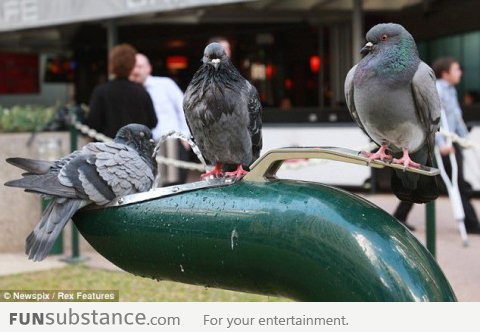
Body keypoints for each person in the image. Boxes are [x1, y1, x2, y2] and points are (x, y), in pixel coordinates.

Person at [393, 57, 480, 234]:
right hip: (440, 146)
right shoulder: (438, 89)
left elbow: (455, 117)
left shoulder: (451, 90)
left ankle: (399, 216)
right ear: (445, 73)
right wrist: (441, 144)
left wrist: (463, 139)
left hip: (451, 143)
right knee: (456, 183)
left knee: (441, 181)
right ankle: (472, 224)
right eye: (456, 69)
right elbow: (435, 118)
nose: (460, 73)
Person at [130, 53, 191, 185]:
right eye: (133, 67)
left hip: (171, 143)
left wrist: (185, 136)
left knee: (174, 186)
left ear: (148, 68)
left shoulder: (165, 84)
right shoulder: (129, 91)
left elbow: (184, 108)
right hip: (144, 147)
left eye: (140, 66)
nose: (136, 70)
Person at [85, 44, 157, 138]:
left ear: (112, 64)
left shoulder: (100, 92)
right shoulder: (142, 92)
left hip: (108, 148)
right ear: (132, 65)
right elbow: (153, 122)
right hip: (136, 149)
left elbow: (93, 123)